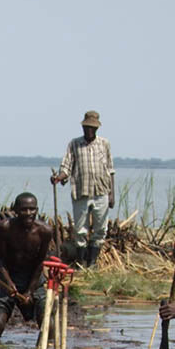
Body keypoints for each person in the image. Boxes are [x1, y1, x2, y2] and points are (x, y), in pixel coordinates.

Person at [0, 193, 52, 340]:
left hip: (33, 279)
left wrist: (30, 292)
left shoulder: (44, 231)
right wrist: (9, 283)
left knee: (49, 327)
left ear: (37, 210)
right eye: (24, 209)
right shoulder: (5, 228)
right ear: (15, 210)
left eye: (32, 209)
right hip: (8, 276)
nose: (28, 214)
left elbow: (40, 264)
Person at [51, 110, 115, 267]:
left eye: (92, 128)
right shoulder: (74, 144)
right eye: (86, 127)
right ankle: (81, 263)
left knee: (100, 230)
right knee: (80, 230)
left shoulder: (104, 144)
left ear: (97, 129)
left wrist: (112, 194)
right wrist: (59, 178)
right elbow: (66, 166)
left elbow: (110, 170)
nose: (89, 130)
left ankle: (92, 263)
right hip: (81, 192)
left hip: (101, 192)